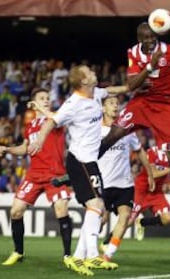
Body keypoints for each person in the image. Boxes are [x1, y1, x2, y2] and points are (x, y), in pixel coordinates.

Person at [28, 65, 128, 276]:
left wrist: (136, 85)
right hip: (79, 161)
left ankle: (78, 256)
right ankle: (91, 256)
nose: (94, 72)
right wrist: (39, 139)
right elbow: (51, 122)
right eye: (89, 72)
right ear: (83, 81)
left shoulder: (96, 94)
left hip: (91, 162)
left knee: (96, 209)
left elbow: (117, 90)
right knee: (96, 205)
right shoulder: (72, 104)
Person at [97, 22, 170, 225]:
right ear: (139, 39)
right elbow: (132, 85)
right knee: (112, 135)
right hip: (141, 103)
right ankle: (81, 170)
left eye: (153, 37)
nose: (150, 41)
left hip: (165, 107)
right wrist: (150, 67)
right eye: (146, 38)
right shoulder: (133, 52)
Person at [0, 88, 73, 268]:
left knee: (61, 209)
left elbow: (55, 117)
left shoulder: (56, 118)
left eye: (48, 98)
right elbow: (26, 149)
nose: (47, 100)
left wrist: (41, 108)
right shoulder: (30, 125)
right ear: (34, 101)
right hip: (34, 174)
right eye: (42, 98)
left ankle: (68, 256)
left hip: (55, 174)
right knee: (15, 211)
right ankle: (18, 251)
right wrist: (7, 149)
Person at [97, 95, 153, 261]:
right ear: (103, 108)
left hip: (124, 183)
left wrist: (149, 173)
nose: (115, 106)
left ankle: (108, 255)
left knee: (125, 216)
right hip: (103, 183)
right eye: (111, 103)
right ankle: (89, 250)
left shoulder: (127, 130)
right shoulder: (96, 131)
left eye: (117, 103)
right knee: (101, 220)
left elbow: (139, 150)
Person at [130, 146, 170, 240]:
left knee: (168, 219)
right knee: (129, 221)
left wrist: (168, 184)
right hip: (141, 191)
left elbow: (167, 176)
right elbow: (153, 174)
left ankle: (142, 222)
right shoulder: (152, 151)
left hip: (156, 193)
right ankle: (108, 242)